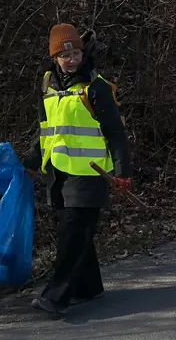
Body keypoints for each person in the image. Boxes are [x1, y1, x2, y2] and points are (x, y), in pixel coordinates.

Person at [22, 23, 132, 316]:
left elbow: (115, 133)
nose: (71, 60)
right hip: (59, 173)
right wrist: (32, 164)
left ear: (84, 54)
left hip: (91, 174)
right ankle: (89, 287)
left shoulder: (95, 87)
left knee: (73, 234)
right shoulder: (47, 85)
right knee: (76, 233)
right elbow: (45, 129)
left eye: (76, 54)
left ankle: (55, 298)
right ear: (54, 57)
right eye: (64, 55)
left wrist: (123, 171)